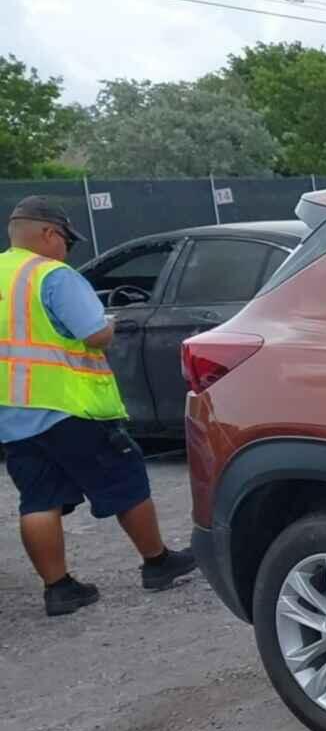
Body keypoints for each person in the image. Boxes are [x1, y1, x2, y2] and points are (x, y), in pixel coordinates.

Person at [1, 196, 197, 616]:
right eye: (66, 240)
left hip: (13, 413)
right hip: (71, 407)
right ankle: (158, 562)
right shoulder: (52, 275)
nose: (67, 249)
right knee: (126, 481)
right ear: (49, 234)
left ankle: (59, 589)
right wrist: (109, 324)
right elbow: (92, 333)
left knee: (38, 500)